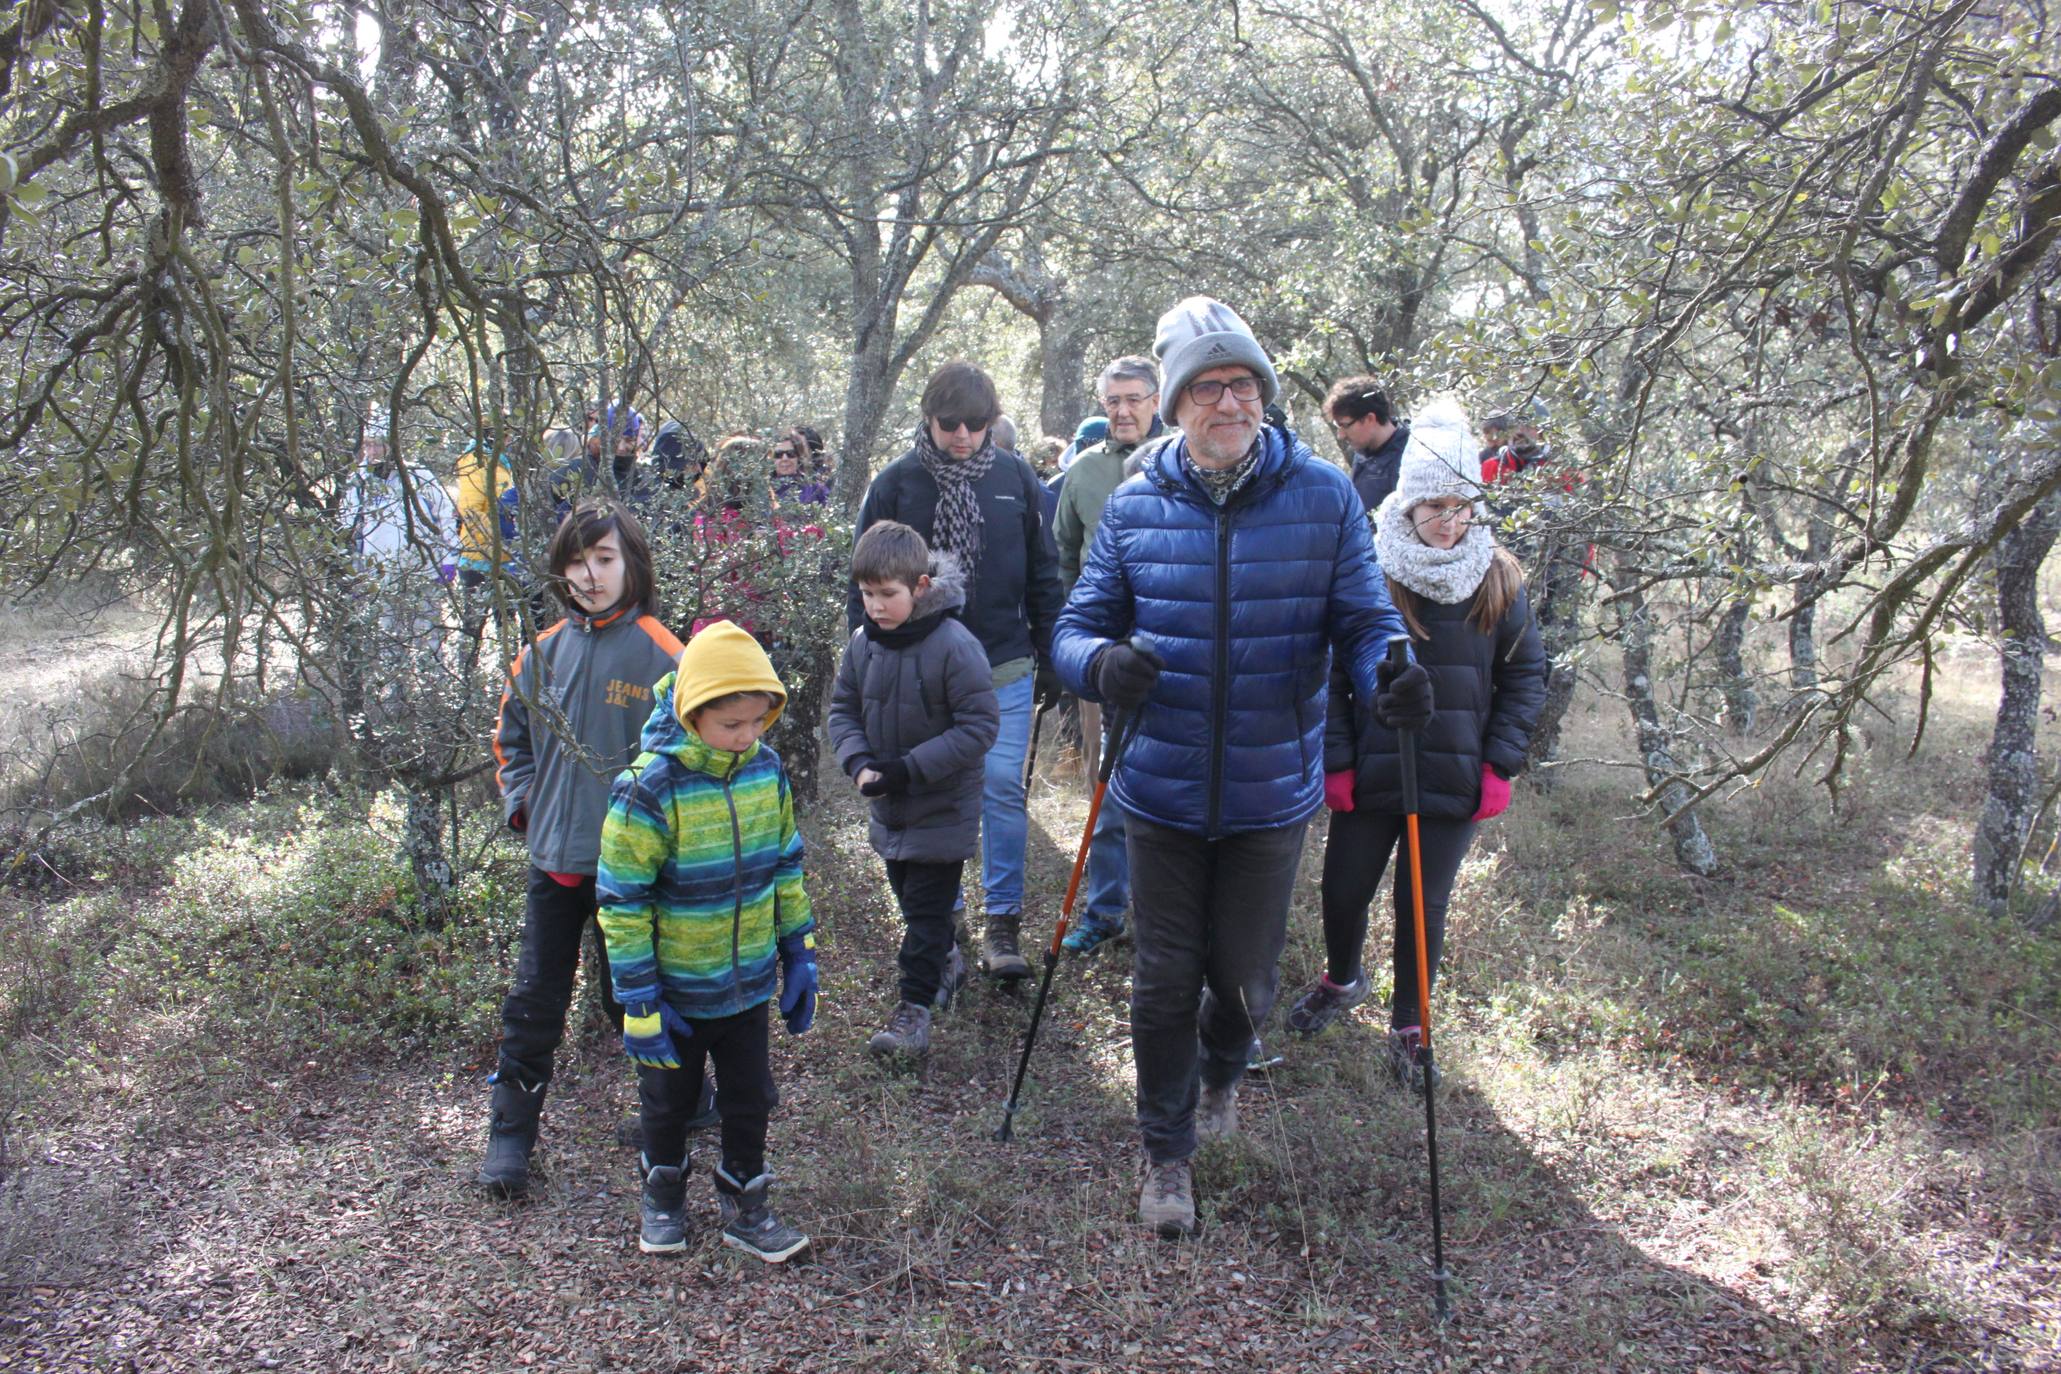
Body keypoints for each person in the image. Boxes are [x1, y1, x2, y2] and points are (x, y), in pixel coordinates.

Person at [1052, 297, 1431, 1239]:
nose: (1229, 403)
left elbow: (1361, 618)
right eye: (1208, 388)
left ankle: (1223, 1071)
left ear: (1263, 395)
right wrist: (1100, 667)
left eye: (1244, 385)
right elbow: (1071, 629)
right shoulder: (1136, 503)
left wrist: (1392, 668)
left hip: (1271, 788)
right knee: (1162, 981)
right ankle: (1166, 1155)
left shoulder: (1322, 496)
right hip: (1161, 787)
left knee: (1244, 984)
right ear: (1175, 405)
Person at [1287, 399, 1548, 1085]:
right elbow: (1333, 671)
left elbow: (1525, 673)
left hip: (1453, 776)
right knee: (1343, 891)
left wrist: (1500, 763)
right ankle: (1342, 980)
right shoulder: (1370, 570)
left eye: (1460, 507)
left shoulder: (1500, 576)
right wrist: (1336, 759)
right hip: (1373, 770)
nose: (1448, 522)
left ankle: (1410, 1021)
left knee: (1420, 906)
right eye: (1432, 508)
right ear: (1405, 507)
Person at [478, 498, 687, 1200]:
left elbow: (689, 759)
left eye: (604, 560)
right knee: (534, 999)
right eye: (576, 563)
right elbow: (513, 742)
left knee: (636, 994)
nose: (590, 576)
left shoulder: (665, 653)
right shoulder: (539, 653)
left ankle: (687, 1107)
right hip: (555, 864)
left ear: (632, 564)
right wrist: (525, 804)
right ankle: (510, 1138)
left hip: (632, 874)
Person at [596, 621, 815, 1262]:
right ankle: (662, 1196)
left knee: (751, 1099)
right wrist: (639, 1001)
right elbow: (622, 901)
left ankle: (746, 1201)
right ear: (692, 715)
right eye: (731, 725)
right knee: (667, 1102)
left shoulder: (766, 771)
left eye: (757, 722)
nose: (746, 737)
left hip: (746, 985)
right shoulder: (647, 788)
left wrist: (796, 949)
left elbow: (785, 862)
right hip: (675, 992)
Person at [848, 361, 1065, 982]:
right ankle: (943, 922)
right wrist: (863, 656)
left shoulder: (1015, 476)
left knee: (1000, 791)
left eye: (978, 424)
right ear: (928, 418)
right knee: (927, 794)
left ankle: (1003, 924)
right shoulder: (896, 483)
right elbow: (862, 577)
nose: (965, 436)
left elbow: (1042, 569)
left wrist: (1050, 652)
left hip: (1003, 661)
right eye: (951, 425)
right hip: (916, 670)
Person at [828, 521, 1001, 1059]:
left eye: (888, 595)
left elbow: (978, 728)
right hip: (890, 809)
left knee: (924, 916)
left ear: (921, 588)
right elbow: (843, 709)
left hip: (941, 806)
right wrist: (858, 763)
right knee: (912, 905)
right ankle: (948, 957)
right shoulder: (863, 644)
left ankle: (913, 1014)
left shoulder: (954, 645)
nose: (876, 606)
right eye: (867, 594)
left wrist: (906, 769)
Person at [1049, 355, 1165, 955]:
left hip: (1179, 648)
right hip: (1111, 653)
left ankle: (1169, 918)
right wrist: (1084, 631)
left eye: (1134, 398)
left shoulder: (1184, 458)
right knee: (1112, 781)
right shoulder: (1085, 472)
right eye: (1112, 400)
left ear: (1157, 399)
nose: (1123, 410)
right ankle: (1104, 910)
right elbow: (1066, 553)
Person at [1322, 376, 1410, 512]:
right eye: (1337, 426)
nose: (1340, 435)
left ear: (1370, 419)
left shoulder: (1410, 457)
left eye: (1345, 425)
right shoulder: (1363, 452)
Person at [770, 429, 831, 509]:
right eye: (778, 454)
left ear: (799, 457)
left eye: (790, 454)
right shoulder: (761, 488)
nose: (784, 458)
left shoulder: (816, 490)